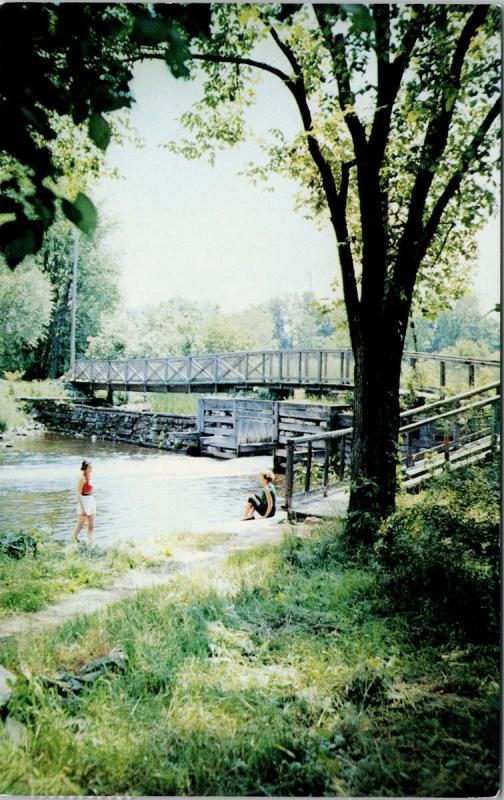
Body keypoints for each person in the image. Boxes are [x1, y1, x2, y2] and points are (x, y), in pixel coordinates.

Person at [71, 459, 96, 544]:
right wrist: (83, 508)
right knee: (80, 525)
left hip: (90, 500)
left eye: (91, 467)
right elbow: (78, 494)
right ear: (85, 468)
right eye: (89, 467)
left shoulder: (90, 476)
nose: (91, 469)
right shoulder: (82, 478)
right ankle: (73, 540)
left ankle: (90, 543)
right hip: (83, 501)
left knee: (91, 526)